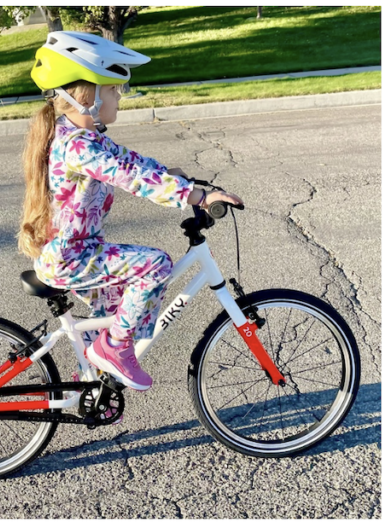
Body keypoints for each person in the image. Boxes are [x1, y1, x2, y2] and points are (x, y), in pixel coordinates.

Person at [18, 32, 243, 392]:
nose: (118, 96)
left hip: (75, 252)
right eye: (113, 89)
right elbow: (131, 178)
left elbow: (132, 162)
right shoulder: (78, 147)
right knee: (155, 265)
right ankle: (114, 350)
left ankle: (94, 381)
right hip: (73, 258)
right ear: (86, 96)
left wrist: (171, 176)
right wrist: (196, 196)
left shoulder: (83, 137)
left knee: (122, 307)